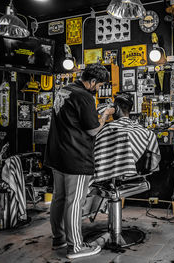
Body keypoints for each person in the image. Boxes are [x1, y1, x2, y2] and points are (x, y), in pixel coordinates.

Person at [44, 63, 114, 260]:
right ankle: (75, 246)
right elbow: (93, 130)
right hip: (76, 156)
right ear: (92, 81)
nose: (99, 88)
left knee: (59, 198)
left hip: (58, 155)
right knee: (74, 202)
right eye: (99, 85)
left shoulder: (64, 90)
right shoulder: (84, 96)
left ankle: (59, 238)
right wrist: (105, 115)